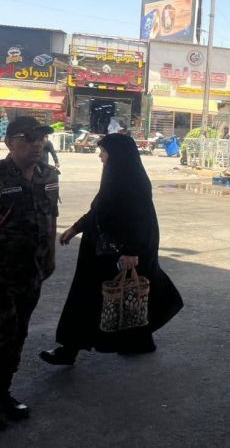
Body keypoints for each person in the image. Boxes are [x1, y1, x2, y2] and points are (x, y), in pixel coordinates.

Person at [40, 134, 183, 365]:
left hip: (119, 252)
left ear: (117, 154)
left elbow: (140, 219)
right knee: (108, 296)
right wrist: (76, 228)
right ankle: (82, 347)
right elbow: (99, 210)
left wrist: (132, 251)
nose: (100, 156)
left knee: (113, 296)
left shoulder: (133, 180)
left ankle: (71, 349)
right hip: (102, 250)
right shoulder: (115, 176)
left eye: (103, 152)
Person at [0, 117, 59, 427]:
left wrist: (51, 256)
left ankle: (3, 392)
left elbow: (51, 218)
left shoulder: (48, 175)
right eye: (29, 138)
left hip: (32, 271)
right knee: (2, 334)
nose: (37, 144)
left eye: (41, 138)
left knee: (18, 334)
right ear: (10, 143)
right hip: (2, 273)